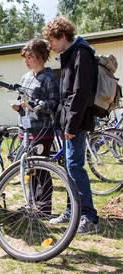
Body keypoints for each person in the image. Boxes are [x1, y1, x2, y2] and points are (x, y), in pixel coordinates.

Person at [42, 16, 100, 234]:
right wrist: (60, 122)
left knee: (75, 167)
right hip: (68, 123)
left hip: (76, 124)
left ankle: (89, 217)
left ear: (63, 36)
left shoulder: (81, 54)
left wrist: (71, 126)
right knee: (69, 168)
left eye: (51, 41)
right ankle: (72, 210)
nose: (50, 46)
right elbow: (65, 95)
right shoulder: (69, 55)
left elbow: (81, 93)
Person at [11, 38, 59, 215]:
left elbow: (54, 103)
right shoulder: (25, 77)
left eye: (29, 57)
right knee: (30, 169)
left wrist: (35, 105)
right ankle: (32, 204)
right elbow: (21, 99)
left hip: (42, 131)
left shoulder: (49, 78)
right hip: (25, 130)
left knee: (41, 170)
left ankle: (44, 208)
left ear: (39, 56)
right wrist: (18, 105)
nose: (25, 61)